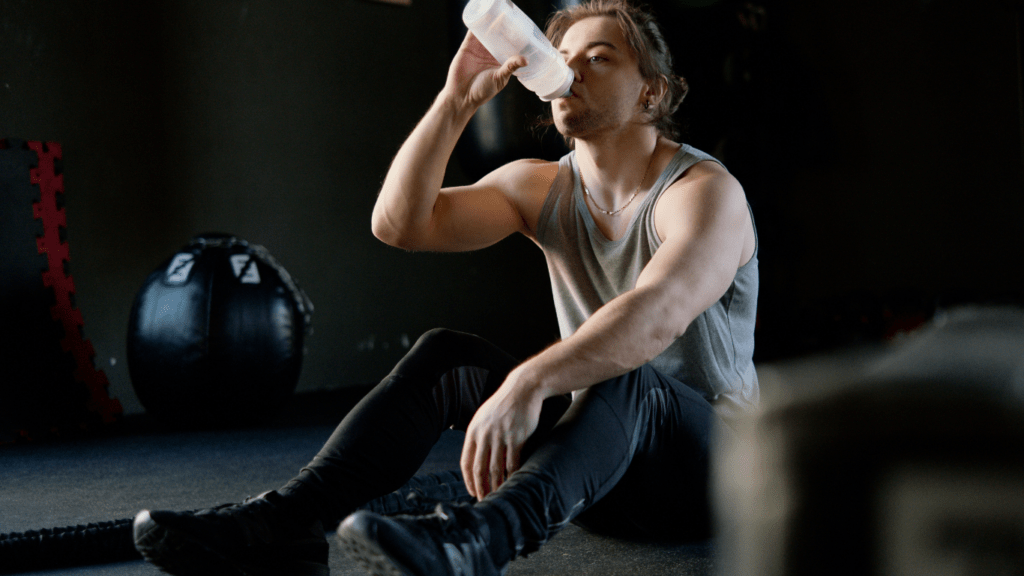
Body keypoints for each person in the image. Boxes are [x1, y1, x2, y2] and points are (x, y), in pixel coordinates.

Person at [132, 1, 759, 575]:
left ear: (651, 93)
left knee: (626, 373)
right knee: (445, 356)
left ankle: (476, 542)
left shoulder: (702, 193)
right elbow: (400, 224)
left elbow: (656, 317)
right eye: (564, 59)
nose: (574, 72)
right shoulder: (540, 185)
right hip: (599, 474)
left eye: (600, 58)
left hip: (716, 483)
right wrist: (457, 98)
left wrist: (529, 381)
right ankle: (283, 525)